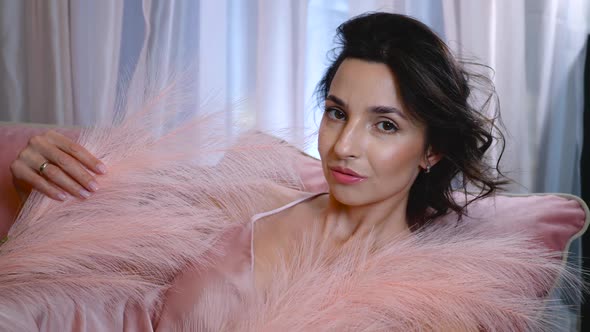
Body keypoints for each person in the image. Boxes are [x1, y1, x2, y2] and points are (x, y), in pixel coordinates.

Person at [2, 12, 575, 331]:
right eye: (336, 113)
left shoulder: (423, 301)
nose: (343, 146)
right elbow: (114, 263)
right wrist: (38, 178)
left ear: (432, 151)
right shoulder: (254, 197)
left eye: (385, 125)